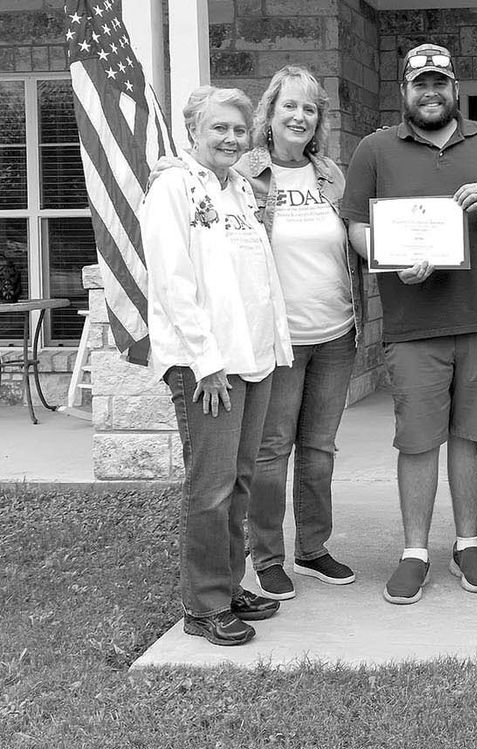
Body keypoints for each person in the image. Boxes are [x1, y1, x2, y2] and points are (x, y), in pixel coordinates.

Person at [342, 43, 477, 605]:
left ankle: (468, 541)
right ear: (404, 92)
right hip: (412, 322)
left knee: (472, 435)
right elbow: (356, 224)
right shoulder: (375, 149)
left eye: (440, 83)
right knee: (418, 438)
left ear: (455, 89)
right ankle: (413, 552)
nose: (430, 93)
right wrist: (387, 256)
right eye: (419, 84)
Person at [141, 86, 293, 646]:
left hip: (252, 359)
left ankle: (228, 585)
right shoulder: (174, 189)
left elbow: (257, 278)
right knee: (210, 486)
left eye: (238, 129)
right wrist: (206, 364)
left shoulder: (240, 191)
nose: (231, 138)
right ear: (193, 133)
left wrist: (276, 347)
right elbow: (173, 282)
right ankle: (204, 605)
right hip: (209, 366)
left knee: (241, 479)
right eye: (218, 129)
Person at [236, 65, 366, 601]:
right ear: (270, 113)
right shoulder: (244, 174)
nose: (299, 116)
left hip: (336, 331)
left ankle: (313, 548)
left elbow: (358, 237)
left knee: (319, 448)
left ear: (319, 122)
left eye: (310, 109)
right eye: (290, 105)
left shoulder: (332, 176)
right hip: (280, 337)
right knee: (272, 450)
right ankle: (266, 555)